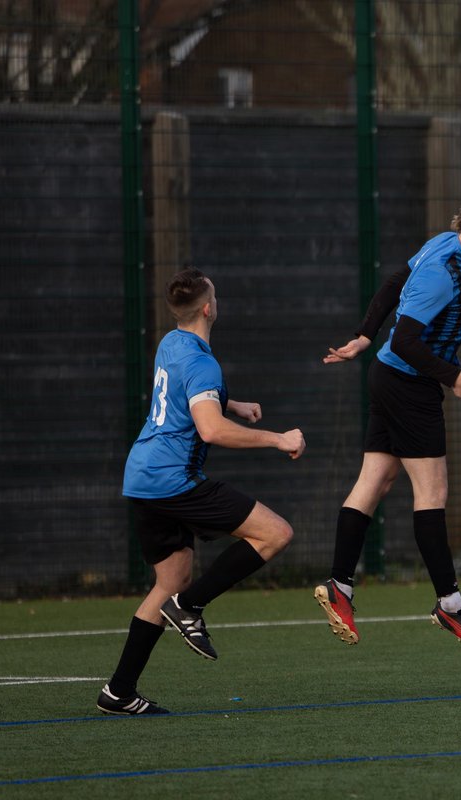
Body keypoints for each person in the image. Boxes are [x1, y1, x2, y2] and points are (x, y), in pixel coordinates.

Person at [314, 193, 461, 649]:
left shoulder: (447, 244)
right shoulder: (442, 274)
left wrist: (364, 335)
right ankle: (450, 603)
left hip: (389, 377)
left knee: (374, 482)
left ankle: (340, 586)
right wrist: (455, 377)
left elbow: (395, 282)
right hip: (409, 386)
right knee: (432, 493)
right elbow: (407, 341)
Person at [97, 268, 305, 715]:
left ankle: (119, 691)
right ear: (209, 308)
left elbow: (185, 395)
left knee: (169, 582)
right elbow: (210, 430)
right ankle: (189, 607)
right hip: (173, 480)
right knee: (275, 534)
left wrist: (233, 402)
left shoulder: (171, 342)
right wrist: (278, 439)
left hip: (142, 477)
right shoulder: (202, 362)